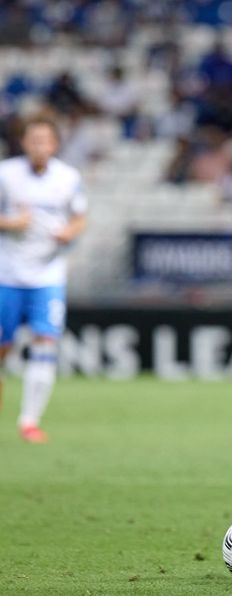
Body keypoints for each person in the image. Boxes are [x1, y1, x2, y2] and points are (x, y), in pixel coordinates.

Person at [0, 115, 88, 443]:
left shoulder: (68, 178)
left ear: (54, 144)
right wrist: (12, 223)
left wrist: (69, 232)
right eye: (33, 139)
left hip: (48, 275)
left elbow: (80, 218)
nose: (39, 146)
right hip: (6, 274)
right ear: (24, 143)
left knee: (45, 341)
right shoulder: (6, 174)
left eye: (45, 140)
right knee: (3, 348)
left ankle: (29, 421)